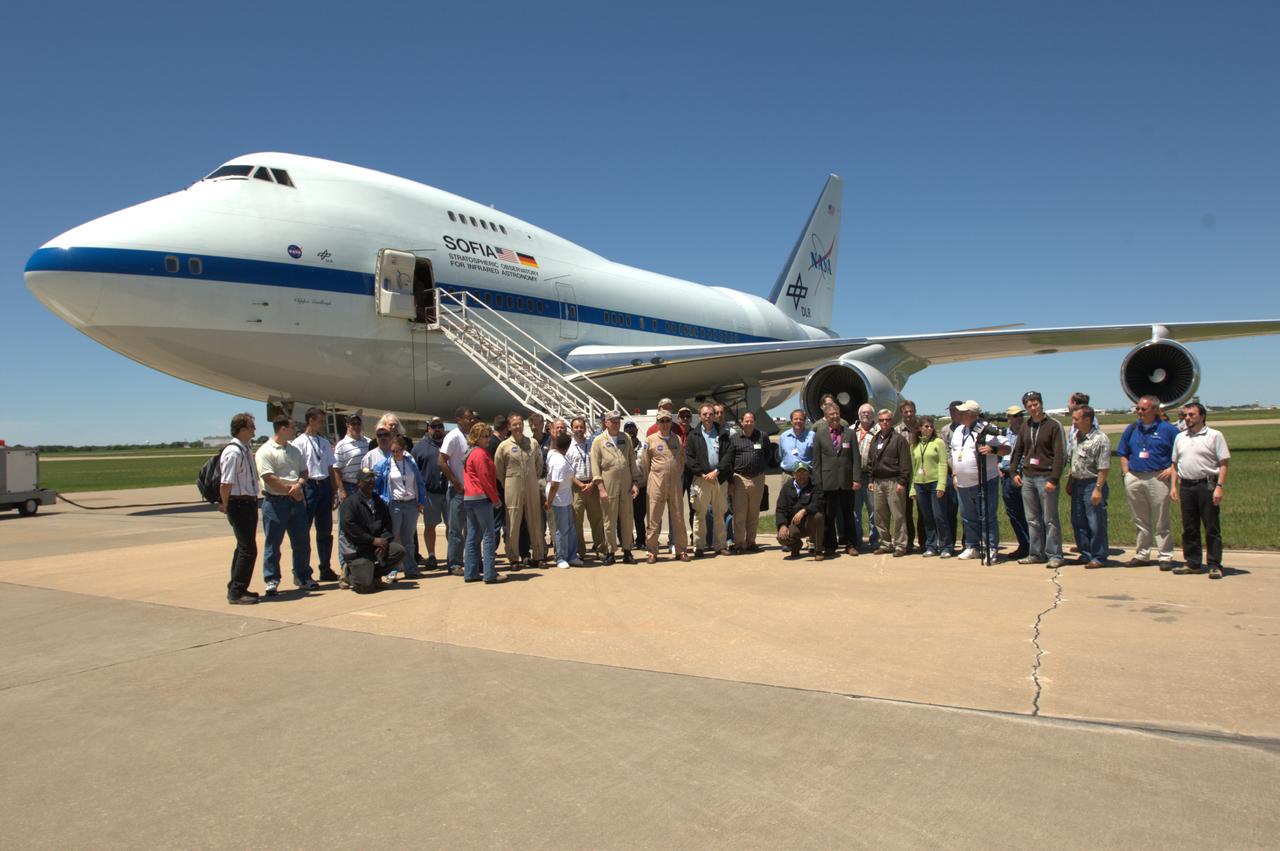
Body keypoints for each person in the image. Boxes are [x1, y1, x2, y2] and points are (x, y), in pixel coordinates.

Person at [1116, 394, 1180, 569]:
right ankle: (1142, 554)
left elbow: (1181, 453)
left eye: (1144, 409)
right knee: (1140, 520)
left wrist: (1171, 470)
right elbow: (1122, 452)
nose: (1139, 412)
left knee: (1161, 520)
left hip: (1158, 477)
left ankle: (1165, 556)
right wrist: (1126, 474)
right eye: (1138, 408)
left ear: (1156, 410)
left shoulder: (1169, 430)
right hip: (1135, 476)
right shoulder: (1131, 429)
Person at [256, 414, 316, 594]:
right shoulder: (265, 451)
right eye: (291, 427)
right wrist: (290, 491)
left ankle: (302, 575)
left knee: (302, 541)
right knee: (273, 544)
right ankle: (271, 579)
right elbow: (268, 477)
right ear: (282, 429)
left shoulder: (294, 450)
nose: (294, 431)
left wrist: (298, 486)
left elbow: (304, 472)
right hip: (275, 502)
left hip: (296, 501)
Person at [1171, 402, 1230, 579]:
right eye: (1186, 415)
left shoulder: (1214, 436)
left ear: (1202, 416)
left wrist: (1219, 487)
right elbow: (1174, 463)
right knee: (1189, 527)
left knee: (1211, 526)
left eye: (1192, 415)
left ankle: (1214, 564)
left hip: (1207, 485)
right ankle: (1193, 563)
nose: (1187, 418)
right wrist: (1173, 486)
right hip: (1186, 486)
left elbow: (1224, 463)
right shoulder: (1180, 437)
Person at [1009, 391, 1066, 568]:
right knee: (1032, 518)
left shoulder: (1053, 425)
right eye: (1029, 405)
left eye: (1036, 404)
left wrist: (1054, 479)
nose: (1033, 408)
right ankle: (1036, 553)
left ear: (1041, 404)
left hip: (1046, 476)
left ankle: (1055, 554)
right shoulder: (1026, 426)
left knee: (1050, 518)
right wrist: (1014, 472)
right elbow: (1018, 450)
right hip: (1028, 477)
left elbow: (1060, 455)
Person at [949, 401, 1009, 563]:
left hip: (984, 480)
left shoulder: (985, 429)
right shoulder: (958, 430)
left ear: (972, 414)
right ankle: (972, 546)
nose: (959, 415)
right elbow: (955, 454)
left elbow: (1007, 448)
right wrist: (955, 475)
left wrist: (992, 450)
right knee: (967, 516)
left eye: (963, 412)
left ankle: (991, 548)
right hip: (962, 482)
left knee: (987, 516)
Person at [291, 407, 342, 583]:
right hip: (309, 486)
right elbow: (296, 470)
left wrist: (334, 491)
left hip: (324, 486)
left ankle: (325, 568)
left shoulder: (324, 442)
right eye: (319, 420)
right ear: (310, 420)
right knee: (303, 532)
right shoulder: (299, 443)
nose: (321, 424)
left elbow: (330, 467)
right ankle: (300, 571)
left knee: (325, 531)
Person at [338, 467, 404, 593]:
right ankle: (350, 573)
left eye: (373, 479)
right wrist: (373, 540)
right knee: (366, 588)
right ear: (358, 482)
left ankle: (374, 575)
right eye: (367, 480)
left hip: (376, 547)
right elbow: (351, 529)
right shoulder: (350, 503)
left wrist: (383, 541)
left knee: (399, 551)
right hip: (358, 551)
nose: (371, 482)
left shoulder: (377, 501)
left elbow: (387, 524)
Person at [494, 412, 546, 569]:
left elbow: (539, 464)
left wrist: (532, 479)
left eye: (520, 424)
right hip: (512, 485)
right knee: (513, 521)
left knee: (535, 520)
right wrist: (508, 482)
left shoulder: (532, 443)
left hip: (531, 485)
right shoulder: (504, 446)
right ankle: (513, 557)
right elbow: (498, 469)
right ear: (509, 427)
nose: (518, 427)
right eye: (514, 424)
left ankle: (538, 555)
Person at [219, 412, 260, 604]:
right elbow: (226, 483)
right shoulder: (233, 452)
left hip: (248, 503)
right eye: (251, 427)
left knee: (243, 548)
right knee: (248, 550)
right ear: (242, 429)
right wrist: (226, 504)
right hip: (238, 504)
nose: (254, 430)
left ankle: (236, 585)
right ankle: (236, 592)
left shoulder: (244, 449)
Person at [372, 434, 426, 581]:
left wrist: (421, 500)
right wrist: (381, 500)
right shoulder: (386, 464)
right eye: (393, 451)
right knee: (394, 538)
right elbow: (376, 484)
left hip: (410, 504)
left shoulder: (410, 463)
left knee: (408, 538)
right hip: (395, 504)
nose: (396, 453)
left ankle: (411, 569)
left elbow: (419, 482)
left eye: (398, 450)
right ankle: (392, 569)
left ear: (404, 450)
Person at [640, 410, 691, 562]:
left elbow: (681, 459)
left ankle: (681, 550)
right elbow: (645, 462)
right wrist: (656, 475)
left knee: (678, 516)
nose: (665, 424)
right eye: (661, 421)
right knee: (654, 517)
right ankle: (652, 551)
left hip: (675, 482)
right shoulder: (650, 440)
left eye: (667, 420)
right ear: (657, 423)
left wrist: (676, 474)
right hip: (656, 482)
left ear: (671, 422)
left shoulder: (676, 438)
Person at [591, 411, 639, 565]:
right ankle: (611, 552)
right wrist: (601, 488)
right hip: (608, 483)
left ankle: (627, 551)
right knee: (609, 519)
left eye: (618, 421)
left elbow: (632, 460)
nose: (617, 423)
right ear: (606, 422)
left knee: (626, 518)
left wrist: (635, 482)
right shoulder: (598, 441)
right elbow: (595, 466)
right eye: (613, 421)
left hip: (625, 483)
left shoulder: (626, 438)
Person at [685, 403, 733, 557]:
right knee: (700, 513)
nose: (708, 417)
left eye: (710, 414)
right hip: (702, 479)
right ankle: (699, 546)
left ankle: (720, 545)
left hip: (719, 478)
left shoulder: (723, 433)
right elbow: (690, 458)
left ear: (714, 415)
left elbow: (728, 454)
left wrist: (717, 471)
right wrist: (702, 474)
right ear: (699, 416)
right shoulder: (694, 435)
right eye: (704, 414)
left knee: (720, 513)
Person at [462, 421, 506, 584]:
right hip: (481, 498)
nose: (487, 439)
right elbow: (485, 479)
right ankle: (489, 573)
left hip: (470, 498)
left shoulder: (469, 452)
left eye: (488, 435)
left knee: (473, 536)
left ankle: (471, 572)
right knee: (488, 536)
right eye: (484, 436)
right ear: (476, 437)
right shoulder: (480, 454)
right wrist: (495, 499)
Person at [1067, 406, 1111, 569]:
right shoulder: (1076, 436)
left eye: (1076, 419)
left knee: (1095, 521)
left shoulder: (1100, 439)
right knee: (1078, 520)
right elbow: (1073, 462)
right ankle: (1085, 554)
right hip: (1077, 482)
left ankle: (1099, 555)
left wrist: (1098, 488)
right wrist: (1070, 482)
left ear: (1087, 420)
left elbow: (1104, 467)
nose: (1073, 422)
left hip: (1092, 483)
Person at [811, 403, 855, 556]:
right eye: (831, 415)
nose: (835, 417)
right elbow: (816, 461)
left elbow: (855, 458)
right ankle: (830, 545)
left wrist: (856, 479)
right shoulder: (819, 434)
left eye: (837, 414)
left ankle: (850, 544)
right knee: (829, 516)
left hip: (846, 481)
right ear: (826, 417)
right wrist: (818, 482)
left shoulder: (849, 433)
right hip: (828, 482)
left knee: (848, 515)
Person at [868, 408, 912, 556]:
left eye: (887, 420)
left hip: (894, 481)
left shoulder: (899, 439)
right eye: (882, 420)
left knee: (898, 515)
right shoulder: (875, 439)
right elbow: (871, 461)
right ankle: (885, 543)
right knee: (880, 516)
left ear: (891, 421)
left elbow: (906, 463)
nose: (884, 422)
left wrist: (902, 482)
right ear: (878, 422)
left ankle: (900, 545)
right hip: (878, 482)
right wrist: (871, 479)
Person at [727, 412, 772, 553]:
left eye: (751, 421)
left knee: (753, 513)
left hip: (757, 478)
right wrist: (731, 481)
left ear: (755, 422)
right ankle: (739, 544)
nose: (749, 423)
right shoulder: (735, 438)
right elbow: (730, 459)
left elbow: (768, 453)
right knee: (740, 514)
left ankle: (751, 542)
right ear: (741, 422)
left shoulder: (762, 436)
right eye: (746, 421)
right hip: (740, 478)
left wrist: (762, 466)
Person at [440, 407, 477, 576]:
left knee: (471, 528)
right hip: (458, 492)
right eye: (467, 418)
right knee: (455, 529)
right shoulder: (453, 436)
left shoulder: (471, 437)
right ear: (459, 420)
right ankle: (454, 563)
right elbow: (441, 461)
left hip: (472, 491)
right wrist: (455, 482)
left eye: (471, 418)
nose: (470, 421)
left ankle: (471, 560)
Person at [410, 417, 448, 569]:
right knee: (430, 526)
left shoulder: (449, 444)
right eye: (434, 426)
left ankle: (452, 555)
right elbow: (413, 474)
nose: (437, 428)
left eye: (440, 426)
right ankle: (431, 556)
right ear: (428, 428)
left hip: (449, 492)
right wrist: (418, 496)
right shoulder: (419, 448)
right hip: (430, 494)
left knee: (452, 527)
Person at [566, 416, 605, 560]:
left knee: (597, 519)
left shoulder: (592, 444)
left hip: (593, 485)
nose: (579, 430)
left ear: (585, 428)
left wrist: (592, 483)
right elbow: (568, 471)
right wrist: (581, 484)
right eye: (576, 427)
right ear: (572, 429)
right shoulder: (569, 447)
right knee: (577, 521)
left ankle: (601, 550)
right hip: (577, 487)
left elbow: (599, 464)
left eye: (581, 427)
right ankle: (580, 551)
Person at [909, 416, 949, 557]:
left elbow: (943, 464)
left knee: (939, 515)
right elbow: (913, 469)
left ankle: (945, 546)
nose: (929, 429)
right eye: (926, 426)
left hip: (934, 483)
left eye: (931, 426)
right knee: (927, 517)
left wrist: (942, 485)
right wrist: (912, 488)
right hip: (920, 484)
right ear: (919, 428)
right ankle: (931, 545)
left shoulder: (938, 443)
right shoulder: (914, 445)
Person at [544, 432, 581, 569]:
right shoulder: (558, 461)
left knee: (570, 529)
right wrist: (549, 501)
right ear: (568, 446)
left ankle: (572, 556)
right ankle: (560, 557)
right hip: (558, 500)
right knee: (561, 530)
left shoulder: (555, 453)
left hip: (566, 498)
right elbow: (554, 485)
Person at [775, 462, 826, 560]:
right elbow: (780, 508)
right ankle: (796, 545)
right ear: (794, 475)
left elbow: (818, 503)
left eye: (804, 473)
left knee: (818, 516)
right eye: (799, 473)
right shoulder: (787, 488)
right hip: (795, 525)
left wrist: (804, 510)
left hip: (810, 523)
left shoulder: (815, 485)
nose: (802, 475)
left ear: (808, 474)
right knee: (782, 538)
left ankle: (818, 550)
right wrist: (782, 525)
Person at [894, 400, 926, 553]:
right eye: (905, 412)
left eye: (911, 411)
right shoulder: (897, 430)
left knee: (923, 510)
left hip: (921, 474)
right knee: (905, 511)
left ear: (915, 411)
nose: (908, 414)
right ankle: (908, 541)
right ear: (902, 413)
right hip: (904, 475)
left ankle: (924, 541)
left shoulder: (923, 428)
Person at [999, 405, 1030, 561]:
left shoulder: (1028, 432)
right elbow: (998, 452)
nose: (1018, 418)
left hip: (1024, 476)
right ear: (1008, 418)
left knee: (1031, 513)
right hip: (1006, 478)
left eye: (1020, 415)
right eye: (1014, 416)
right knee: (1014, 513)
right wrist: (999, 468)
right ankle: (1024, 545)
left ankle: (1037, 546)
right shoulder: (1004, 433)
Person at [937, 400, 965, 556]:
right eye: (951, 411)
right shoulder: (945, 429)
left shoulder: (968, 428)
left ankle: (968, 543)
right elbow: (945, 451)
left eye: (956, 411)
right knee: (950, 510)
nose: (953, 413)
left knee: (968, 512)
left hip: (968, 475)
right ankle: (950, 542)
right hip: (950, 474)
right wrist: (954, 469)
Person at [852, 403, 878, 552]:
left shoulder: (878, 431)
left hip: (870, 477)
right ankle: (857, 540)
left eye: (868, 412)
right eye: (863, 412)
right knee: (855, 510)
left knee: (873, 510)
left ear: (873, 415)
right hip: (856, 476)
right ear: (859, 414)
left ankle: (875, 540)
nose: (866, 414)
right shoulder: (851, 430)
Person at [334, 415, 370, 499]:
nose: (356, 426)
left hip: (366, 486)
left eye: (358, 424)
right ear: (347, 425)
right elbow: (336, 470)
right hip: (349, 487)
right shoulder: (341, 445)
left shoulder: (368, 442)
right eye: (353, 424)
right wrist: (342, 490)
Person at [625, 420, 647, 543]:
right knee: (626, 516)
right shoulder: (621, 446)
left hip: (642, 484)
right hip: (627, 486)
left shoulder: (644, 446)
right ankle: (627, 540)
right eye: (628, 430)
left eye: (632, 429)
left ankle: (641, 540)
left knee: (640, 516)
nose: (630, 432)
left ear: (637, 431)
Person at [778, 409, 814, 475]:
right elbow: (781, 455)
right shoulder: (784, 436)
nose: (798, 421)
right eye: (795, 419)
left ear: (805, 421)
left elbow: (816, 456)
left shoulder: (812, 436)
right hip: (788, 474)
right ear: (791, 421)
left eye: (801, 419)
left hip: (806, 475)